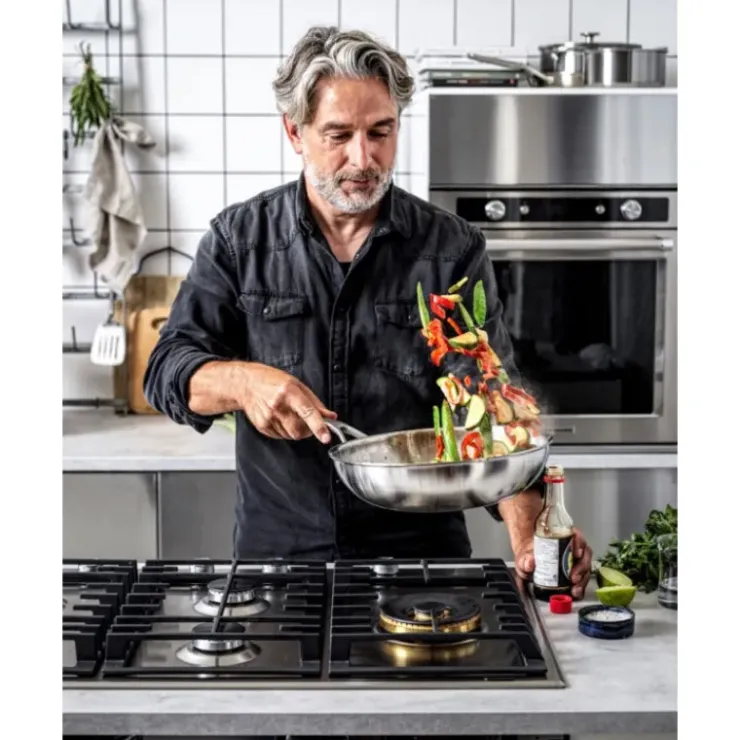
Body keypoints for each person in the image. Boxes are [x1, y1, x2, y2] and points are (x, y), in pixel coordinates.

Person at [143, 26, 592, 598]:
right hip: (279, 568)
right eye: (339, 135)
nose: (364, 158)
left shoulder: (451, 249)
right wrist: (244, 382)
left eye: (381, 131)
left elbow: (492, 407)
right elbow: (167, 370)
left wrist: (531, 538)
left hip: (423, 569)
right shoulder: (239, 240)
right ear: (295, 131)